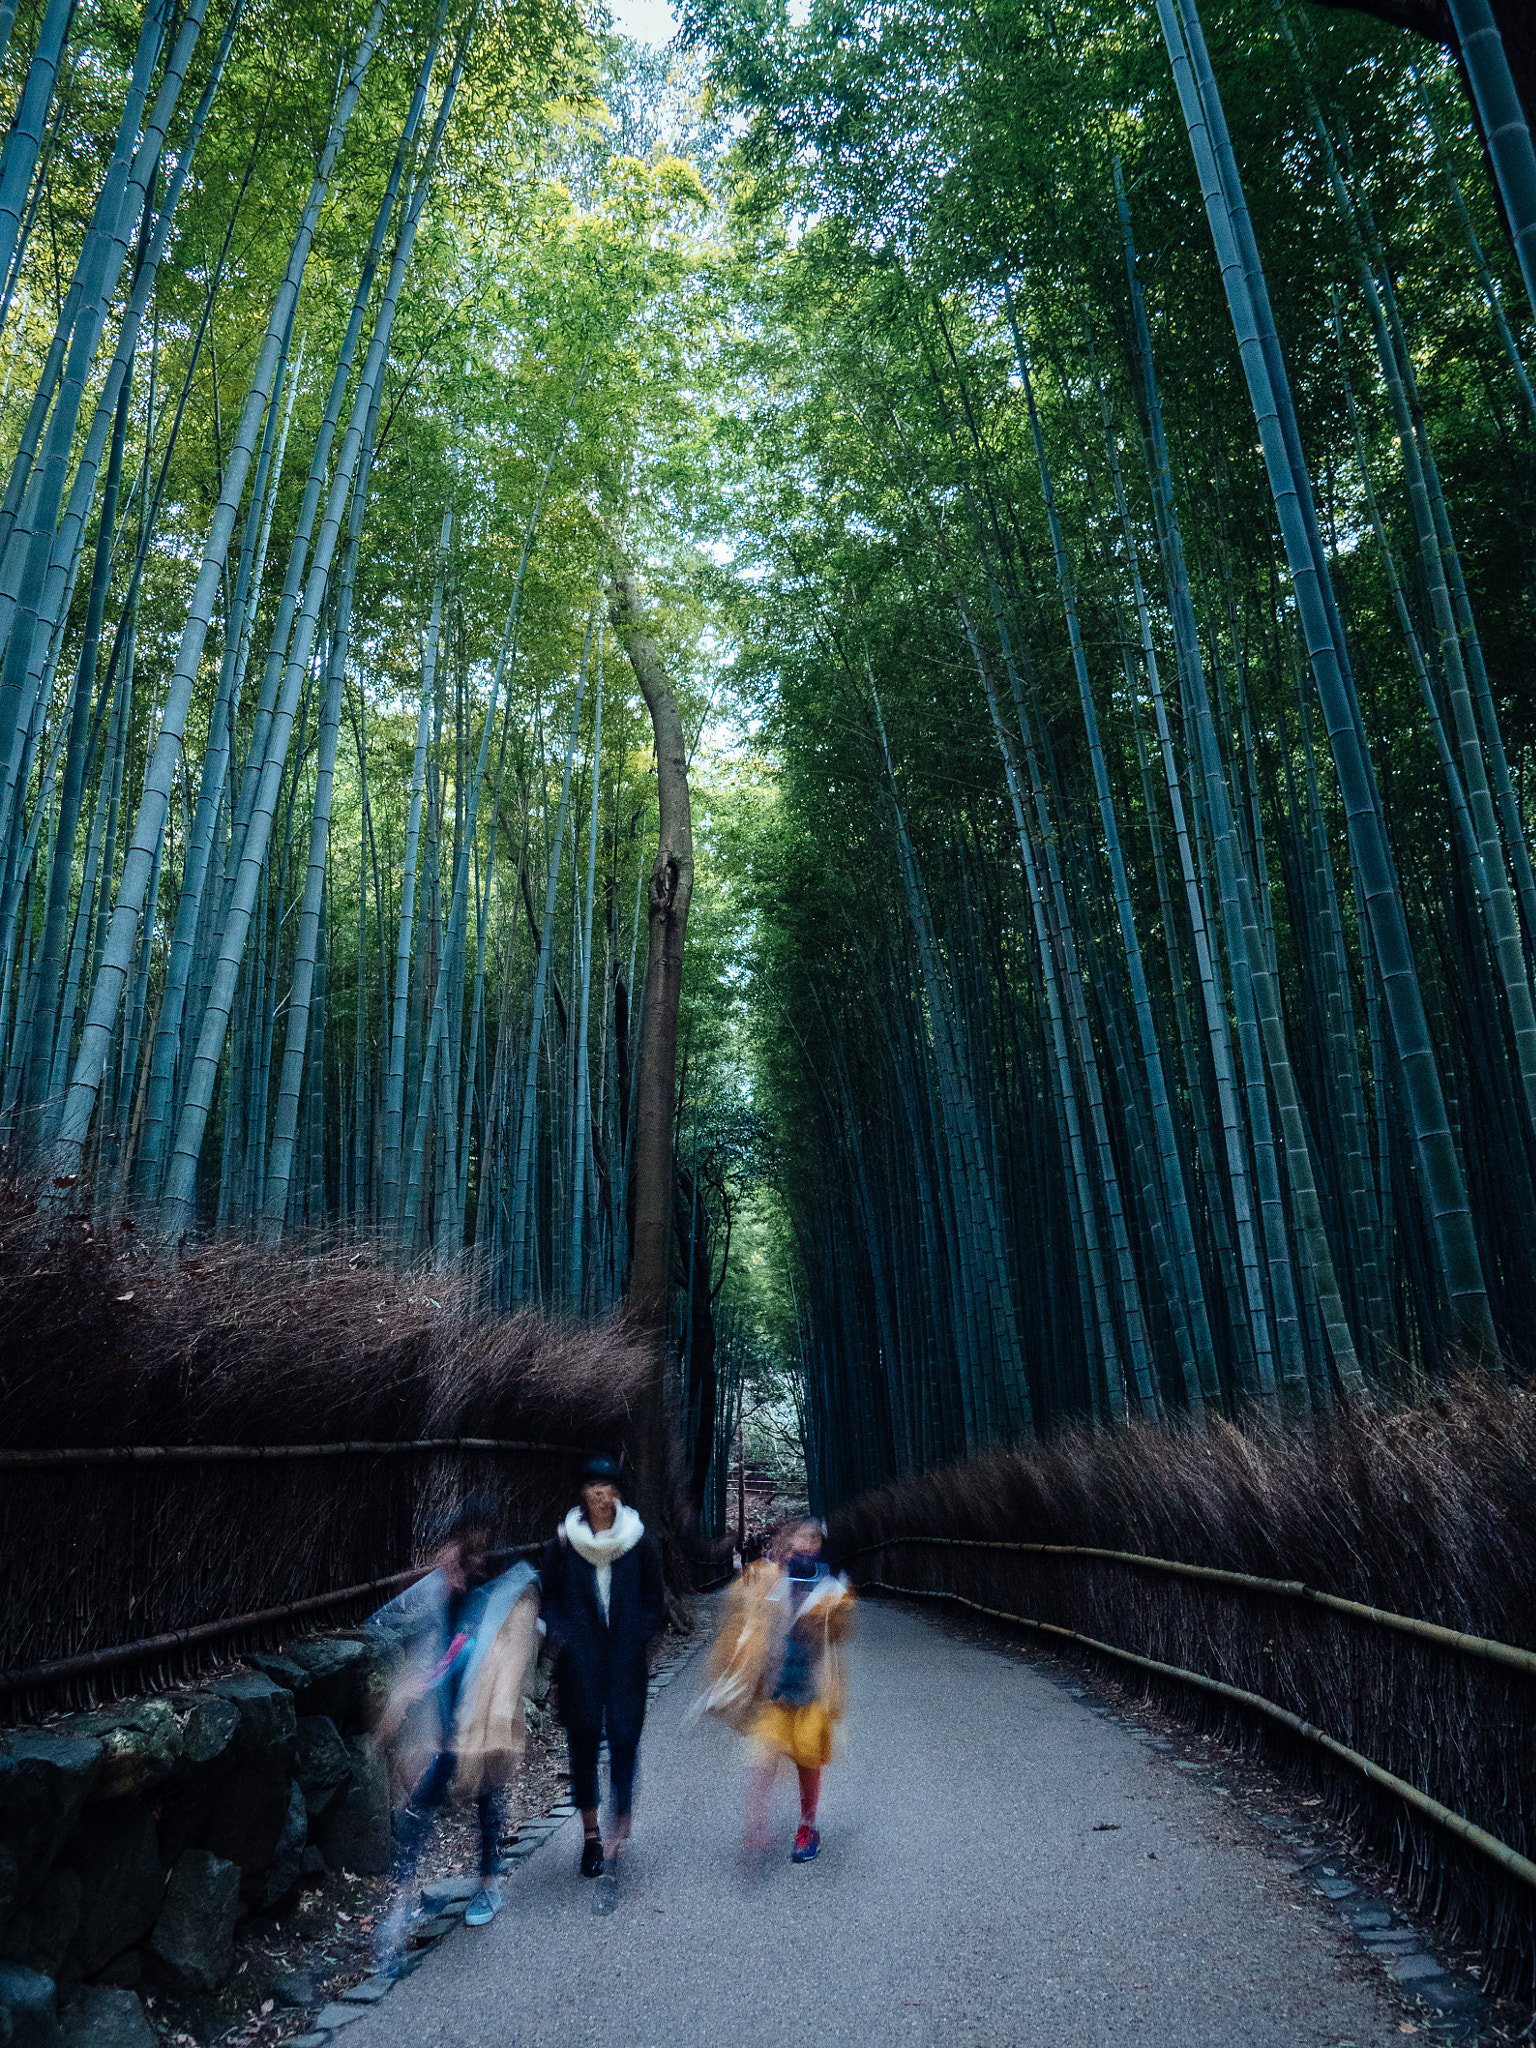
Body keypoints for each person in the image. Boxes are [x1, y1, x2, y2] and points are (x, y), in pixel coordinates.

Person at [367, 1496, 540, 1967]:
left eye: (481, 1537)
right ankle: (401, 1908)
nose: (475, 1548)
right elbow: (427, 1634)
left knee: (486, 1800)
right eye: (469, 1538)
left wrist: (495, 1718)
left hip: (484, 1718)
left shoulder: (510, 1586)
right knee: (420, 1807)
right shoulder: (450, 1581)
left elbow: (513, 1656)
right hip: (448, 1713)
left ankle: (488, 1884)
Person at [539, 1457, 666, 1893]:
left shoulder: (639, 1542)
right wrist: (564, 1637)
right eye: (590, 1484)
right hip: (581, 1662)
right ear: (582, 1493)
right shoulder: (563, 1544)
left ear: (617, 1492)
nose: (598, 1492)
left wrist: (639, 1638)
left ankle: (621, 1816)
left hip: (625, 1660)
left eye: (605, 1485)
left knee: (626, 1740)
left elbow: (655, 1601)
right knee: (584, 1745)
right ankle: (592, 1837)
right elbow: (548, 1599)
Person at [700, 1518, 856, 1862]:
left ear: (820, 1545)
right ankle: (756, 1829)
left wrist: (835, 1610)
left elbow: (843, 1631)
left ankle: (807, 1825)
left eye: (812, 1539)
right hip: (777, 1689)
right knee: (764, 1756)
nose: (804, 1545)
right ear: (787, 1543)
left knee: (807, 1759)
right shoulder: (771, 1581)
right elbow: (745, 1615)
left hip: (812, 1690)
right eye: (799, 1538)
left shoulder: (830, 1587)